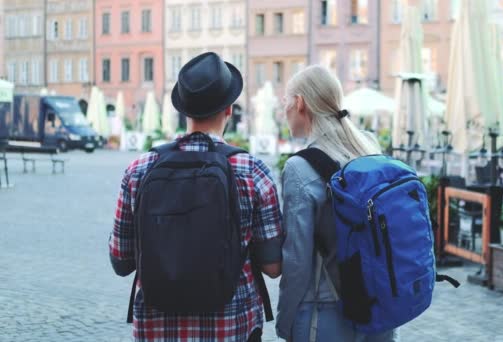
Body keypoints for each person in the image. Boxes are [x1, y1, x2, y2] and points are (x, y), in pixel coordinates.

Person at [109, 52, 283, 342]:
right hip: (231, 326)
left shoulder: (139, 170)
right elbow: (273, 267)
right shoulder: (253, 171)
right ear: (228, 109)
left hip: (156, 328)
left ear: (183, 110)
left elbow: (121, 261)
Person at [276, 65, 397, 341]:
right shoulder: (369, 147)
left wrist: (285, 323)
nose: (284, 110)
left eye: (285, 101)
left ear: (300, 103)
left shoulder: (299, 168)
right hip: (380, 306)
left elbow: (297, 261)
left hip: (325, 311)